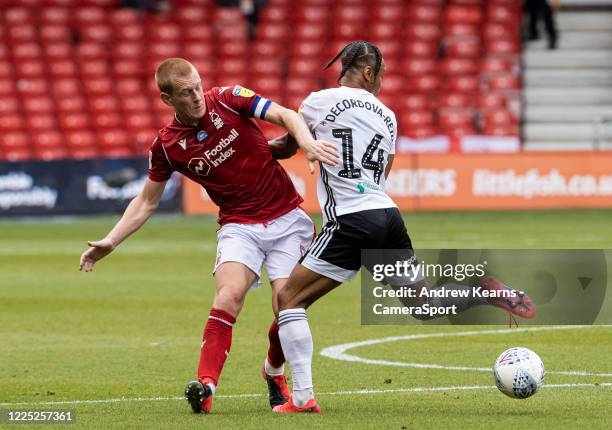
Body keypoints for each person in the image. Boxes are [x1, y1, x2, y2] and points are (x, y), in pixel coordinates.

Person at [270, 41, 536, 414]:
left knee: (288, 300)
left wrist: (255, 153)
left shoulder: (318, 102)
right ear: (367, 72)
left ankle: (302, 398)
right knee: (423, 305)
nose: (381, 80)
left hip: (349, 220)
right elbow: (384, 174)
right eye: (380, 73)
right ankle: (481, 291)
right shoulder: (388, 116)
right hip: (387, 216)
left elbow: (287, 145)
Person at [79, 58, 339, 414]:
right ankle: (206, 386)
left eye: (199, 86)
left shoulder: (230, 98)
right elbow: (146, 201)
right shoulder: (167, 146)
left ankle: (273, 371)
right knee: (228, 296)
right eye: (187, 93)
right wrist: (111, 240)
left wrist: (305, 143)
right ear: (168, 99)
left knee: (287, 305)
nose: (198, 96)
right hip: (239, 226)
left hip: (286, 219)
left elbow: (286, 116)